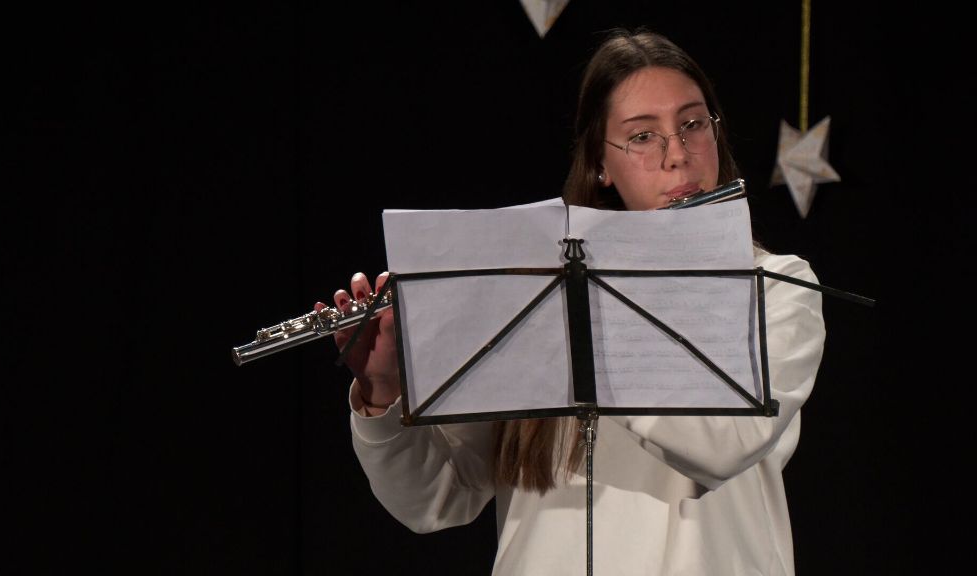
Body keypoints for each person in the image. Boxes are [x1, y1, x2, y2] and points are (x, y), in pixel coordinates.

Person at [315, 28, 825, 576]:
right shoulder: (536, 293)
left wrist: (587, 320)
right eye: (643, 136)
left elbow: (727, 442)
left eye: (693, 124)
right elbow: (437, 498)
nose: (678, 154)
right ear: (601, 163)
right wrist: (384, 392)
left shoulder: (777, 287)